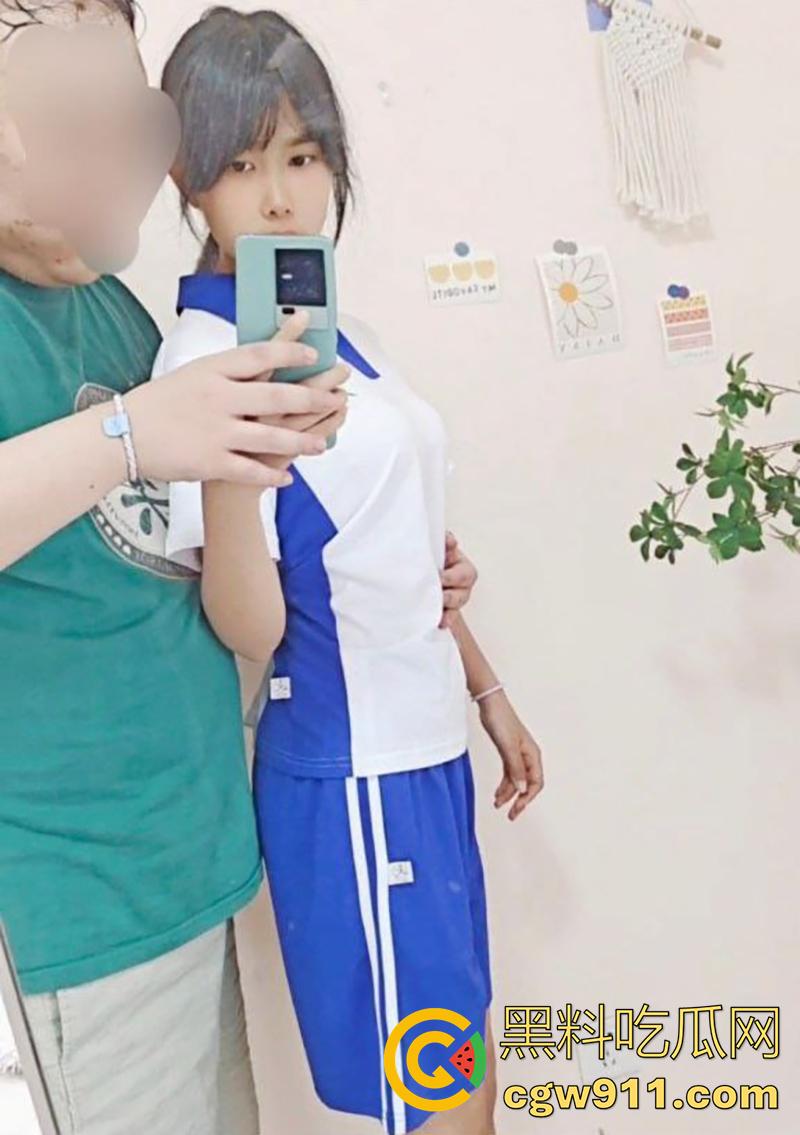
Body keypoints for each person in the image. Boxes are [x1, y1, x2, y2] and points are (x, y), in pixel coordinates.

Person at [159, 9, 545, 1135]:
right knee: (435, 1099)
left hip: (425, 749)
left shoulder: (345, 334)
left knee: (462, 1067)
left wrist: (486, 688)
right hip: (353, 772)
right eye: (242, 165)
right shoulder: (201, 362)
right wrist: (239, 466)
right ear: (187, 179)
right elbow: (249, 627)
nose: (280, 198)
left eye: (301, 157)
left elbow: (400, 544)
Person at [0, 3, 350, 1133]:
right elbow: (129, 450)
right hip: (77, 916)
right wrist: (132, 434)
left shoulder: (105, 302)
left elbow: (172, 547)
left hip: (193, 862)